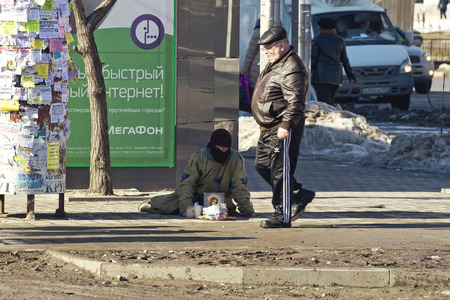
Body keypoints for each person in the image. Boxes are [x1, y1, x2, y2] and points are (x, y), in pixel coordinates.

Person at [251, 26, 315, 229]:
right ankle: (296, 194)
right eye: (264, 48)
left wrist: (286, 125)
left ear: (281, 45)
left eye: (269, 47)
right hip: (268, 127)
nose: (266, 52)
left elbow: (296, 101)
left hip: (281, 127)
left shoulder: (292, 66)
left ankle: (282, 215)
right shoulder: (276, 63)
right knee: (262, 165)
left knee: (280, 171)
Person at [138, 129, 255, 218]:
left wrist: (246, 209)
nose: (222, 151)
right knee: (171, 206)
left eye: (225, 148)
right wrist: (187, 208)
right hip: (195, 197)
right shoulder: (197, 157)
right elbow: (187, 185)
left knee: (223, 211)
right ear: (213, 145)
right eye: (219, 147)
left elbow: (239, 185)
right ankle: (152, 204)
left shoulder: (236, 159)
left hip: (219, 200)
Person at [311, 17, 356, 106]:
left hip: (321, 76)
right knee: (330, 102)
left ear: (321, 28)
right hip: (335, 77)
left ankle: (327, 118)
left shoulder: (317, 40)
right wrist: (351, 75)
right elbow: (345, 60)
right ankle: (331, 117)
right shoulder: (340, 40)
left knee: (323, 103)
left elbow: (313, 58)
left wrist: (307, 73)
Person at [239, 19, 261, 113]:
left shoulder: (258, 31)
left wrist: (243, 70)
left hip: (254, 70)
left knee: (253, 94)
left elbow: (250, 53)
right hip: (260, 70)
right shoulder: (277, 33)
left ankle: (254, 113)